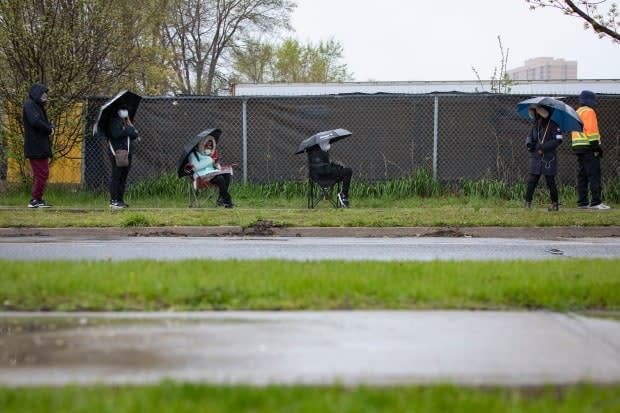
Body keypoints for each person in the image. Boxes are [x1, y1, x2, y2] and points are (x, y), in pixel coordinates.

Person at [571, 90, 610, 210]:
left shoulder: (577, 112)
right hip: (589, 147)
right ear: (590, 100)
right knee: (594, 174)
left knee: (582, 176)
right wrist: (596, 147)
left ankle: (582, 203)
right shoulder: (589, 111)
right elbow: (591, 130)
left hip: (578, 147)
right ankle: (596, 202)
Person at [524, 105, 563, 211]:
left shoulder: (554, 125)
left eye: (539, 113)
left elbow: (558, 140)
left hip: (548, 158)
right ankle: (527, 202)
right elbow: (529, 137)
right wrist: (529, 145)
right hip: (535, 157)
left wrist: (543, 147)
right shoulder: (535, 125)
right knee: (532, 180)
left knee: (550, 181)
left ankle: (555, 204)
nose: (537, 115)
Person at [23, 83, 55, 208]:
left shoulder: (37, 106)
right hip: (35, 146)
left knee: (42, 173)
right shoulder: (30, 105)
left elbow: (43, 122)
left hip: (40, 145)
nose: (45, 96)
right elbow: (35, 121)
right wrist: (48, 129)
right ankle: (35, 199)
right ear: (37, 93)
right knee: (42, 173)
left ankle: (38, 199)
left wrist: (50, 127)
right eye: (43, 94)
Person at [107, 104, 139, 209]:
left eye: (125, 110)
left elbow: (135, 134)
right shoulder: (114, 121)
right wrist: (128, 130)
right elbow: (116, 133)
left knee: (123, 177)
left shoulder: (126, 122)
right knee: (116, 176)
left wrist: (128, 125)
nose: (125, 112)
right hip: (117, 152)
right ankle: (114, 200)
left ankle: (120, 199)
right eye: (123, 110)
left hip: (127, 153)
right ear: (118, 111)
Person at [190, 136, 234, 208]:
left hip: (212, 173)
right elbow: (195, 167)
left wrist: (216, 164)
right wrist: (210, 161)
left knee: (227, 175)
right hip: (201, 176)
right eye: (207, 145)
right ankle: (227, 200)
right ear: (202, 145)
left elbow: (215, 167)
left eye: (211, 146)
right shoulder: (193, 155)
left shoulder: (209, 155)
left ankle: (221, 199)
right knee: (220, 178)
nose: (209, 147)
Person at [307, 140, 352, 207]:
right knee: (348, 171)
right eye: (326, 142)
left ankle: (343, 195)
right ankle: (343, 194)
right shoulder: (322, 154)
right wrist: (337, 167)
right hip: (327, 175)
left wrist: (334, 165)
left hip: (315, 177)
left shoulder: (312, 154)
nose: (328, 144)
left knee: (344, 170)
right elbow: (326, 168)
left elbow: (325, 165)